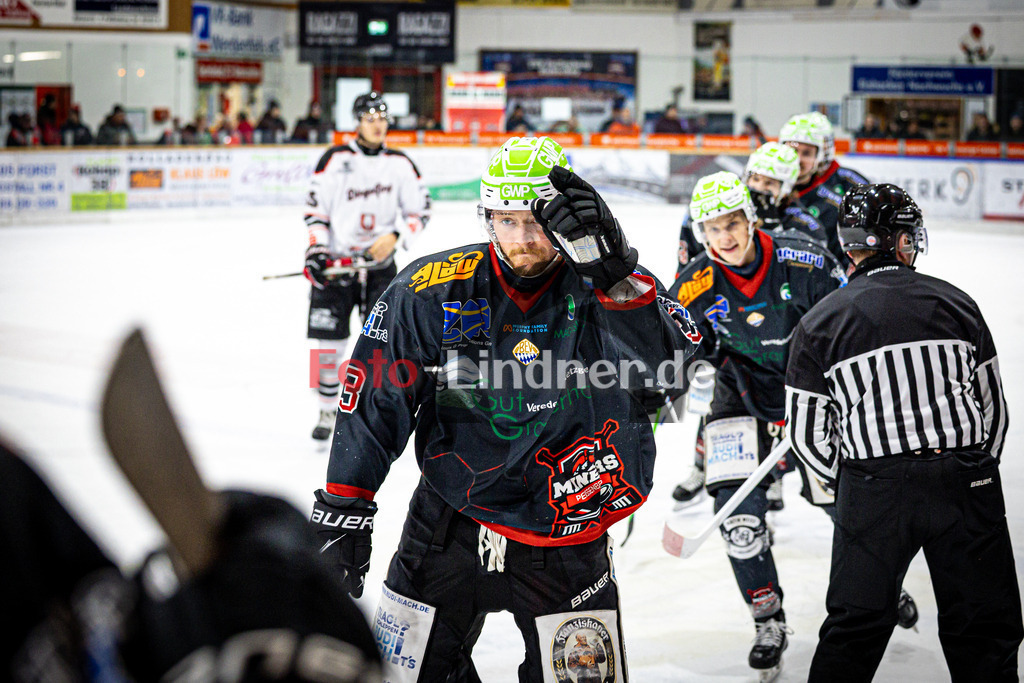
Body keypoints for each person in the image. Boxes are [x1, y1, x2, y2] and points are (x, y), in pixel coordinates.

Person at [309, 135, 702, 681]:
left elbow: (674, 371)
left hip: (571, 529)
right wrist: (345, 507)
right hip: (447, 524)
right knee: (406, 676)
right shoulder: (429, 291)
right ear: (486, 217)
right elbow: (375, 401)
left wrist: (615, 275)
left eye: (538, 221)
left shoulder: (609, 287)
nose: (522, 239)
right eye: (506, 220)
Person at [785, 183, 1023, 682]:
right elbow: (994, 412)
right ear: (897, 241)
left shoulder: (819, 322)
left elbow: (808, 436)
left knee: (854, 629)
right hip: (963, 481)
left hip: (874, 489)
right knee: (985, 629)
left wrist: (859, 479)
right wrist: (970, 471)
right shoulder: (958, 303)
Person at [666, 171, 846, 680]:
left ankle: (877, 584)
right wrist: (677, 385)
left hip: (812, 395)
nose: (724, 237)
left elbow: (850, 326)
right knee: (739, 522)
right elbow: (683, 355)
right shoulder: (696, 282)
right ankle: (768, 619)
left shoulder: (804, 259)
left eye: (732, 223)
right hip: (738, 400)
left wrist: (830, 399)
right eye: (712, 229)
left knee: (847, 505)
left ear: (750, 218)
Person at [672, 143, 826, 511]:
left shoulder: (802, 231)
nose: (761, 186)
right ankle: (704, 463)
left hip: (792, 363)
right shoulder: (712, 217)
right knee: (718, 397)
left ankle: (776, 476)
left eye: (771, 182)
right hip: (738, 354)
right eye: (755, 177)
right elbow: (685, 288)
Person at [303, 91, 431, 441]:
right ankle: (327, 407)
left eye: (382, 119)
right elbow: (316, 213)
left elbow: (421, 211)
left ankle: (374, 411)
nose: (378, 125)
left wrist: (395, 235)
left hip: (380, 268)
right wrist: (316, 251)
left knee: (382, 343)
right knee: (328, 345)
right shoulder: (334, 159)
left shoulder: (400, 163)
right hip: (337, 266)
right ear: (357, 121)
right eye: (370, 119)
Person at [779, 111, 869, 266]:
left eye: (806, 152)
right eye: (793, 150)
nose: (797, 159)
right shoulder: (770, 187)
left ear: (822, 153)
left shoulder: (843, 187)